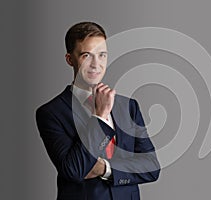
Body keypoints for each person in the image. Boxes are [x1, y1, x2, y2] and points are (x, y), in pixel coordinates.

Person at [36, 21, 160, 200]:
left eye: (102, 55)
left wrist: (104, 169)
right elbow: (73, 170)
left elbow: (152, 167)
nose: (96, 64)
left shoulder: (129, 107)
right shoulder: (51, 113)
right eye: (87, 55)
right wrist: (100, 117)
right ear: (70, 59)